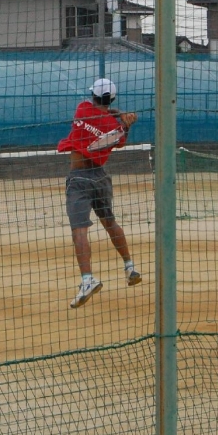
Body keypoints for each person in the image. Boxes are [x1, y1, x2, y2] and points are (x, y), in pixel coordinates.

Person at [57, 78, 141, 309]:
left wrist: (118, 115)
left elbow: (99, 113)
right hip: (101, 178)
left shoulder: (82, 109)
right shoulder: (116, 129)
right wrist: (125, 120)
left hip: (79, 179)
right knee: (110, 223)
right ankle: (129, 266)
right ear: (112, 99)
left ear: (93, 95)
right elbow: (120, 141)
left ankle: (87, 279)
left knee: (79, 231)